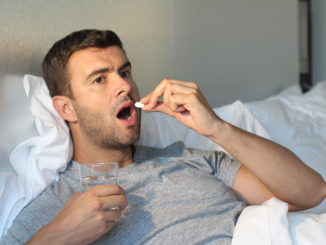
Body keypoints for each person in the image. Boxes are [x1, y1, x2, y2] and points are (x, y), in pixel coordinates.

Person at [1, 29, 325, 245]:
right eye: (100, 79)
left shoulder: (189, 158)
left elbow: (310, 194)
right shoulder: (57, 206)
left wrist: (216, 127)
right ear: (66, 109)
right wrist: (60, 235)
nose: (124, 86)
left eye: (124, 72)